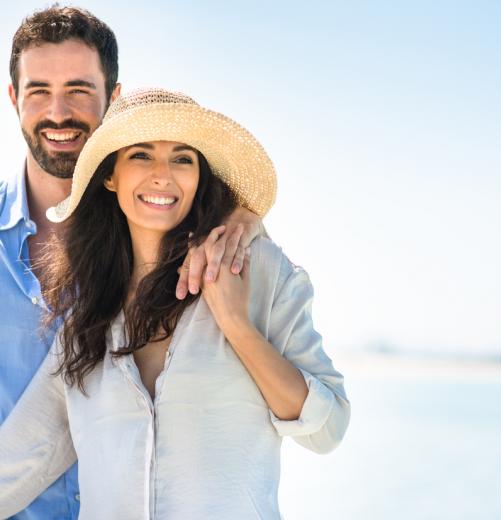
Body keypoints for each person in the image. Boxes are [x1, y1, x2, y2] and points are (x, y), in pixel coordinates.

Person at [0, 87, 350, 519]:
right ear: (110, 175)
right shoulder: (86, 317)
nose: (163, 175)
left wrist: (236, 325)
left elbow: (328, 428)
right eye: (142, 155)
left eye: (183, 158)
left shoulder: (257, 270)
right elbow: (20, 460)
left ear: (200, 175)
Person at [1, 6, 263, 519]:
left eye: (79, 89)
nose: (59, 112)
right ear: (13, 98)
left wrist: (245, 218)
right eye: (38, 92)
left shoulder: (170, 245)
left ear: (113, 100)